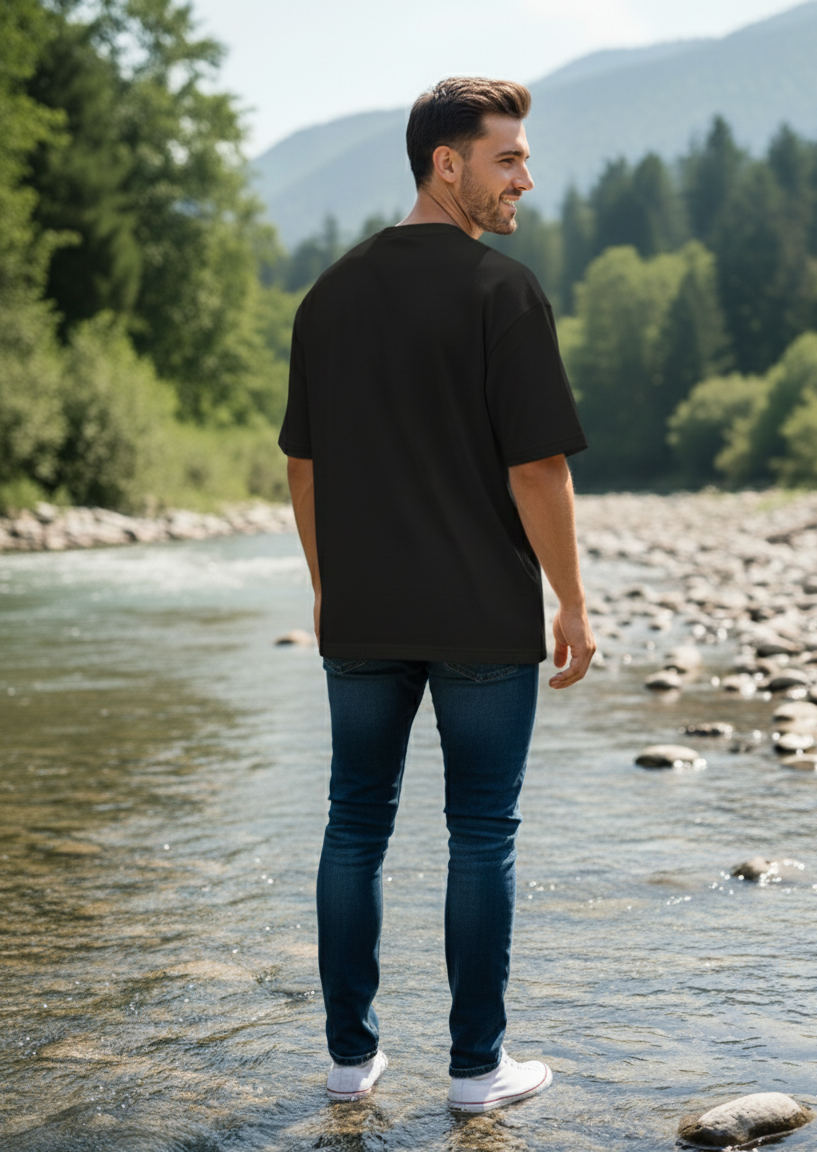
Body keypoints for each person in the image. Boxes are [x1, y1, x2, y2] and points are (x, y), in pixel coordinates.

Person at [279, 76, 595, 1113]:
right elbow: (536, 470)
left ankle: (347, 1060)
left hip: (363, 616)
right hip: (477, 618)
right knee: (481, 835)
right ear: (444, 164)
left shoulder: (327, 295)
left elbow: (305, 470)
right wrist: (573, 603)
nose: (525, 179)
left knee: (352, 827)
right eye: (507, 159)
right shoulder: (502, 292)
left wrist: (330, 590)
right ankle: (474, 1072)